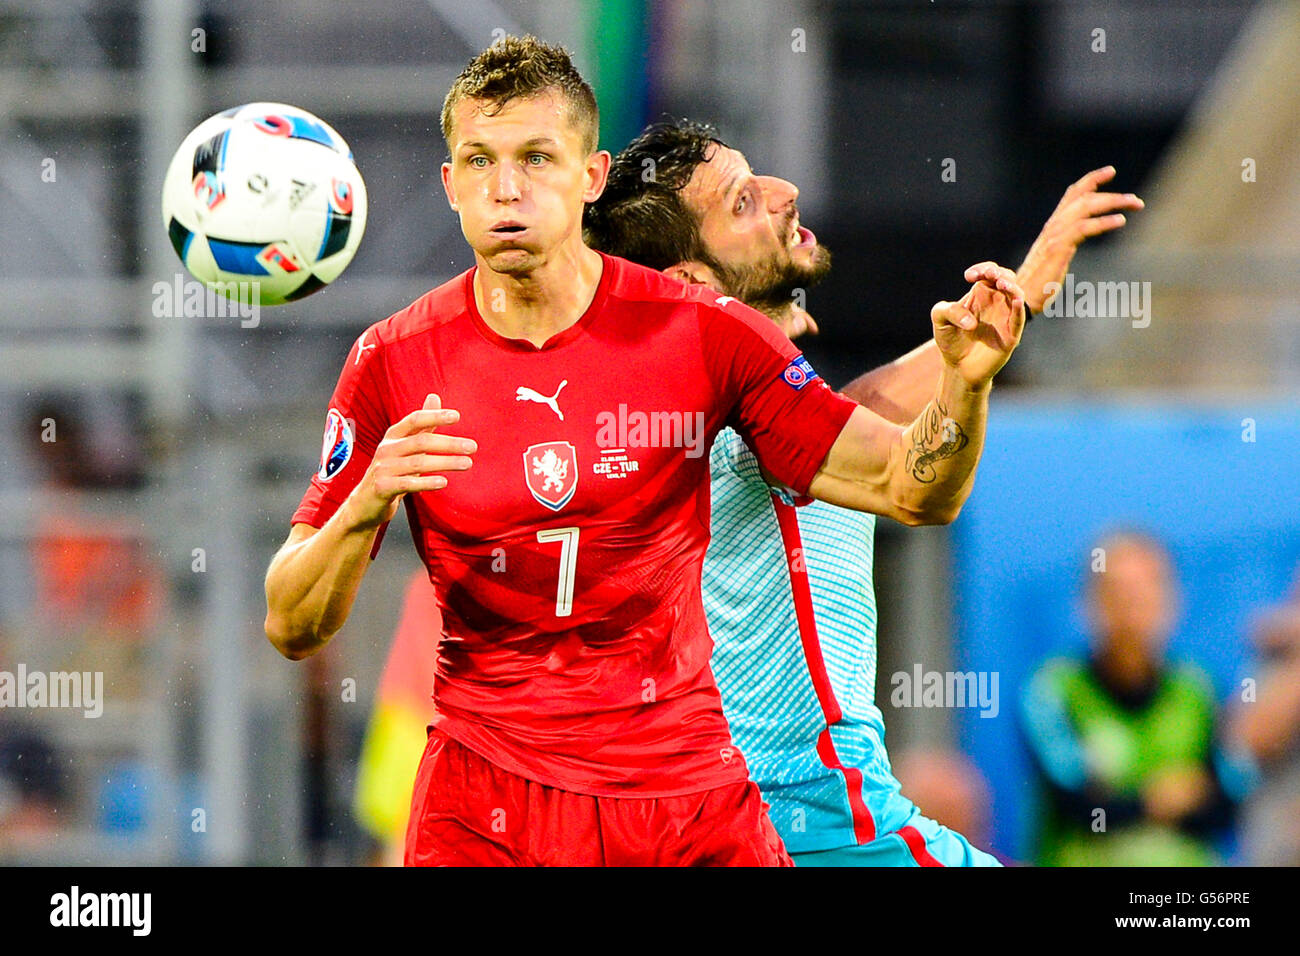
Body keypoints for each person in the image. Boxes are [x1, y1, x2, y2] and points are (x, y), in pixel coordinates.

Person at [264, 35, 1025, 867]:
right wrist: (367, 500)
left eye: (536, 159)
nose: (506, 190)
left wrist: (966, 387)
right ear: (450, 184)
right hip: (486, 803)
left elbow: (913, 489)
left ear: (589, 177)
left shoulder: (706, 334)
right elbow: (292, 621)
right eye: (479, 161)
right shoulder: (393, 361)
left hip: (680, 799)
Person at [583, 119, 1140, 865]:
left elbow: (861, 410)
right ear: (692, 284)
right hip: (816, 820)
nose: (785, 193)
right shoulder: (729, 410)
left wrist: (1023, 297)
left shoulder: (701, 417)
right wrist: (965, 386)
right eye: (743, 202)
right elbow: (921, 487)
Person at [1020, 531, 1248, 866]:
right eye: (1116, 592)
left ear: (1173, 600)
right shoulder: (1051, 690)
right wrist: (1156, 800)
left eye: (1145, 591)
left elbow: (1227, 807)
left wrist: (1125, 801)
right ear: (1087, 602)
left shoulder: (1200, 690)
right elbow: (1079, 806)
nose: (1130, 608)